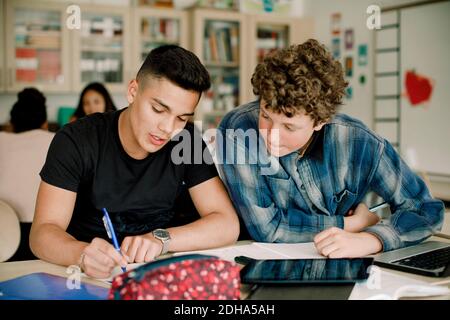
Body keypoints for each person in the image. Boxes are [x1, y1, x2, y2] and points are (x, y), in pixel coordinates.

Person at [217, 39, 444, 258]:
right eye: (265, 115)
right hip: (265, 259)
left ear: (320, 121)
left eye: (289, 126)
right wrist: (354, 223)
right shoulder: (238, 131)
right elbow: (267, 228)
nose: (270, 135)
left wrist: (371, 240)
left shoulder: (359, 142)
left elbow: (426, 209)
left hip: (342, 261)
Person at [30, 45, 240, 279]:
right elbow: (42, 233)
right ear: (132, 91)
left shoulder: (187, 141)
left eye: (181, 118)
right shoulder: (76, 141)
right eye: (158, 109)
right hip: (90, 277)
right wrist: (80, 254)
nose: (168, 129)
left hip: (157, 275)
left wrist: (161, 239)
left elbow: (227, 224)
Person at [0, 87, 54, 260]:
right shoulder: (57, 140)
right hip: (47, 237)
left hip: (4, 235)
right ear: (44, 123)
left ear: (12, 124)